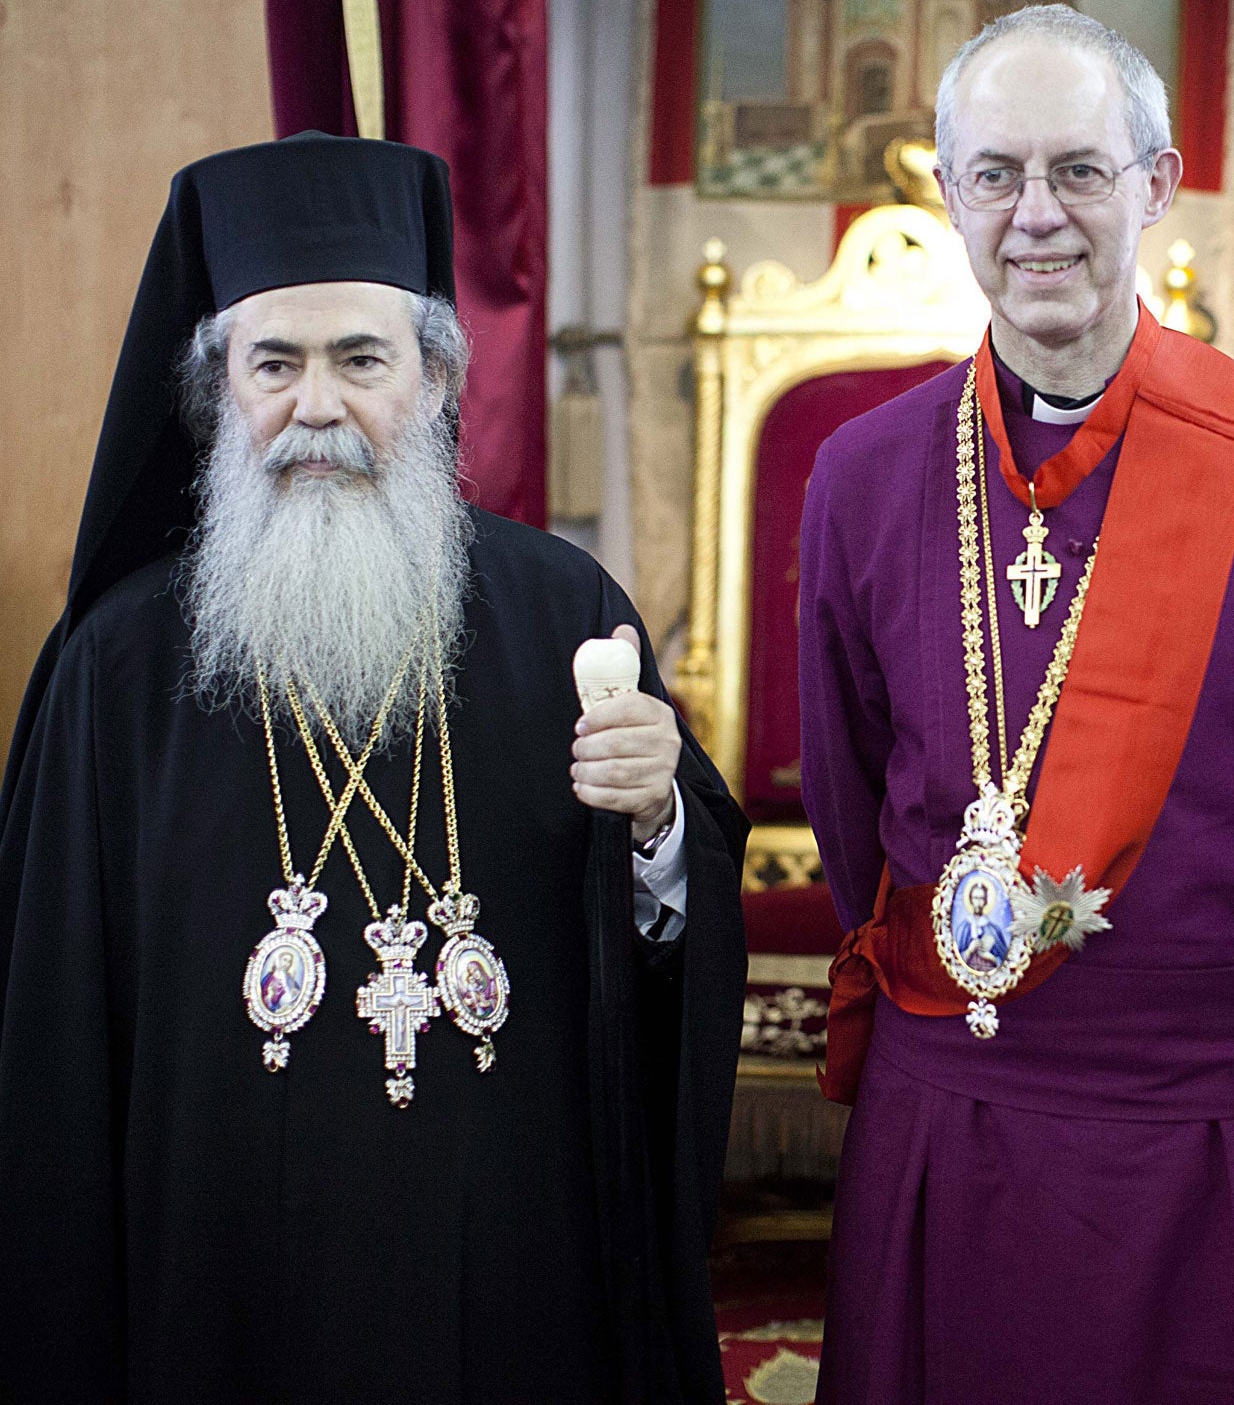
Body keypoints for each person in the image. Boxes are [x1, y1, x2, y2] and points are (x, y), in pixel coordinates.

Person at [0, 133, 749, 1402]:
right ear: (217, 388)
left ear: (436, 378)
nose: (317, 406)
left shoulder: (565, 611)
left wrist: (658, 817)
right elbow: (49, 1041)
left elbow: (670, 948)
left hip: (514, 1263)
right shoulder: (118, 670)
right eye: (273, 364)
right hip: (213, 1271)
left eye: (361, 360)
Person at [800, 4, 1234, 1404]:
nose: (1039, 215)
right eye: (996, 174)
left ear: (1154, 187)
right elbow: (852, 812)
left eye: (1081, 171)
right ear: (945, 189)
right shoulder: (860, 477)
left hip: (1221, 1123)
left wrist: (1214, 1015)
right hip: (956, 1099)